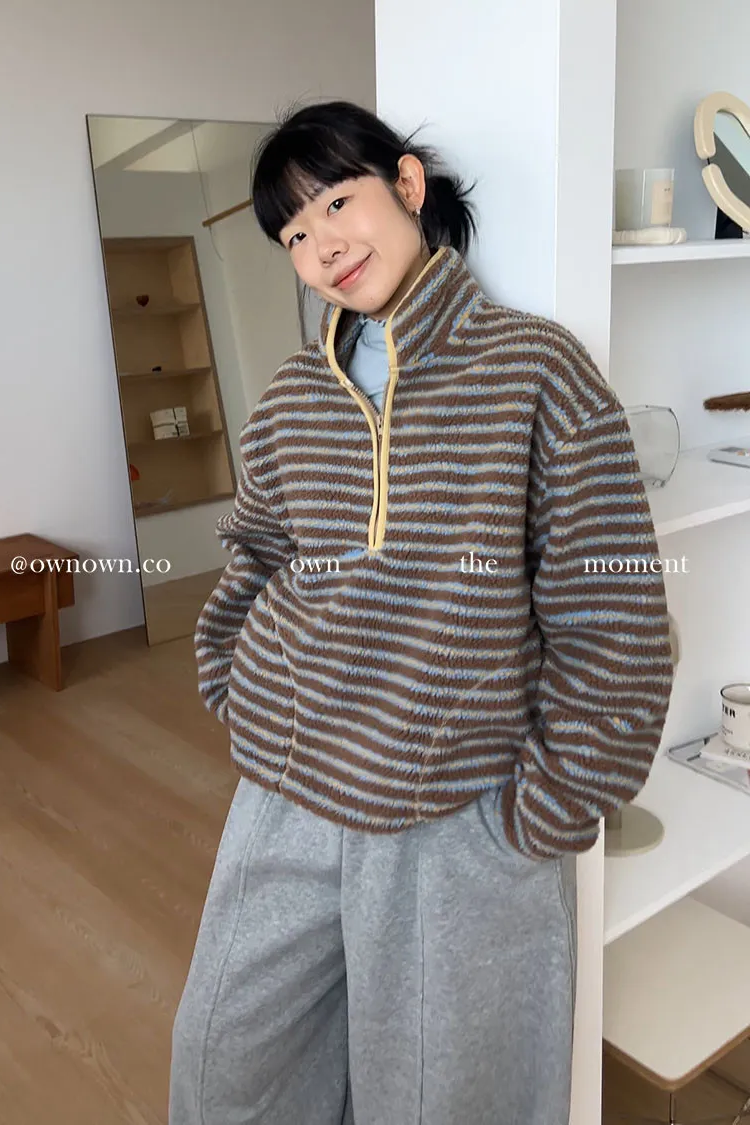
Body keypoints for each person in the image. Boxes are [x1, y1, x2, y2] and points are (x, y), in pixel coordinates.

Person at [169, 99, 675, 1125]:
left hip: (459, 821)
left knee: (448, 1102)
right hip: (287, 792)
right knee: (226, 1073)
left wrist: (548, 807)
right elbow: (255, 554)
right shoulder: (290, 399)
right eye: (293, 235)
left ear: (406, 185)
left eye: (334, 204)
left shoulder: (536, 370)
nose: (320, 247)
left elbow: (612, 606)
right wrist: (233, 679)